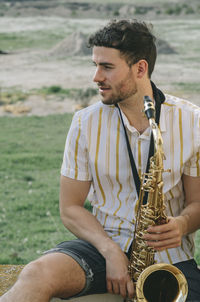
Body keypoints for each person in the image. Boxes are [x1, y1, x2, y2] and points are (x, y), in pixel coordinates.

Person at [1, 19, 200, 302]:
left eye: (106, 67)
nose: (96, 76)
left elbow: (197, 203)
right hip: (101, 247)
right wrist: (110, 250)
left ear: (140, 68)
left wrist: (180, 225)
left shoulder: (191, 121)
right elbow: (70, 207)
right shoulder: (84, 122)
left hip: (169, 259)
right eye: (94, 65)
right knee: (36, 274)